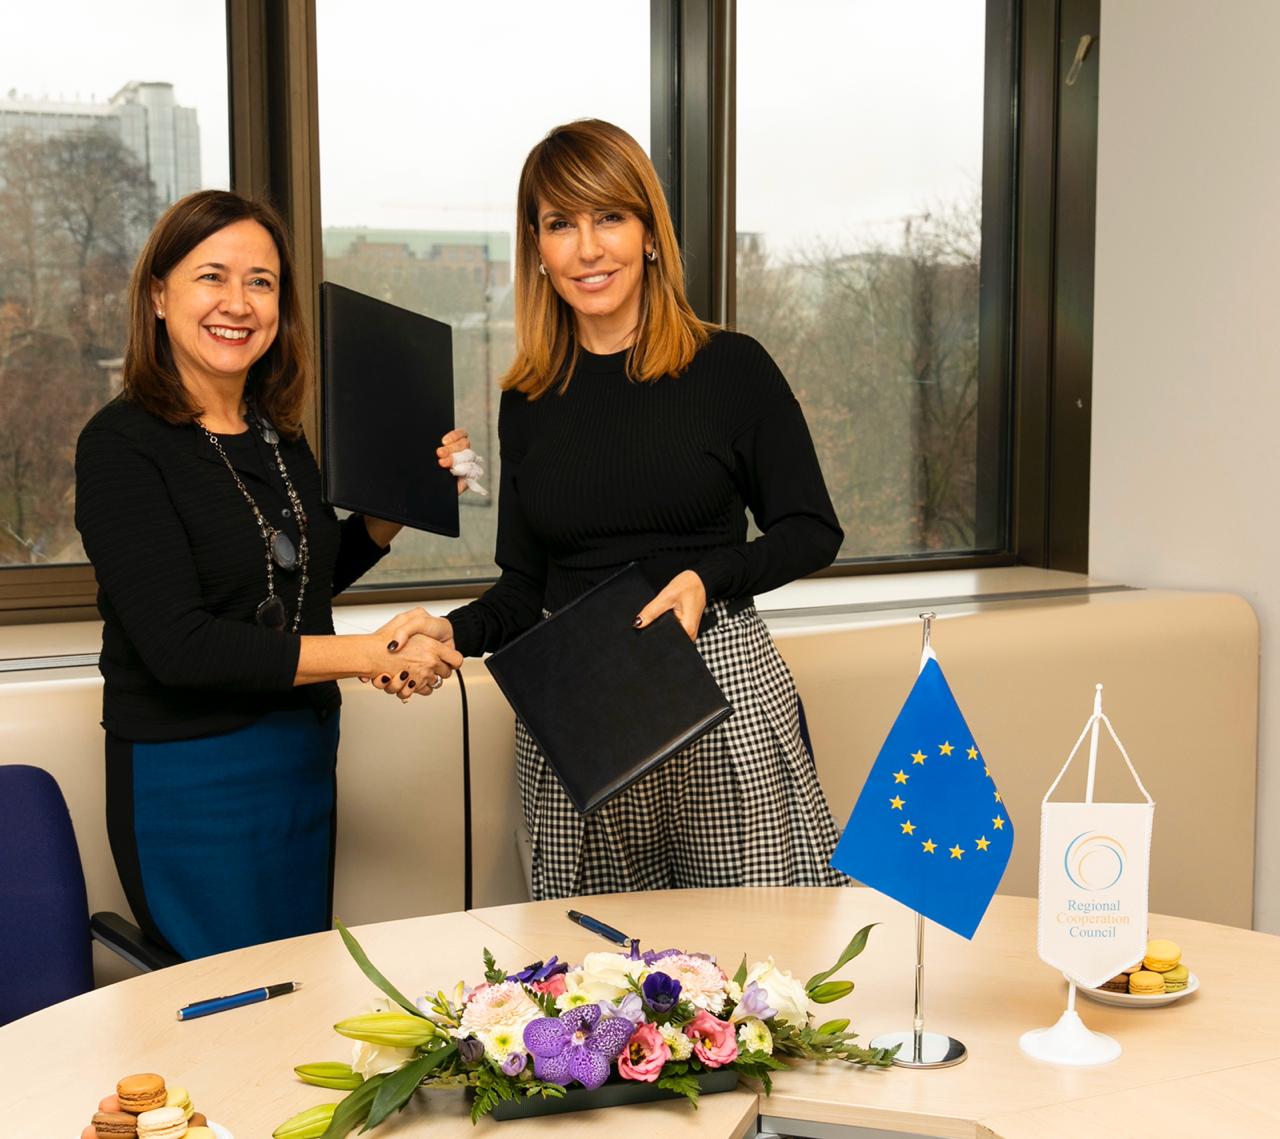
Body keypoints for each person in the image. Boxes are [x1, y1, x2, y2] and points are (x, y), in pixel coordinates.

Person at [381, 119, 848, 900]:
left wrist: (708, 577)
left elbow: (812, 531)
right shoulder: (527, 400)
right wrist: (448, 629)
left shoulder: (731, 367)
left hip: (720, 686)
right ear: (536, 246)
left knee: (757, 982)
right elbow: (523, 592)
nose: (588, 248)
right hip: (580, 709)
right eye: (561, 223)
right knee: (600, 991)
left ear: (650, 234)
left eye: (610, 218)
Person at [75, 190, 466, 960]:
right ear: (158, 295)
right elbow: (180, 644)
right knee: (226, 1013)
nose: (238, 303)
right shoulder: (120, 445)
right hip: (192, 776)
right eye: (211, 277)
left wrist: (401, 504)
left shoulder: (278, 437)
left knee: (292, 1002)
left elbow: (300, 585)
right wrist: (365, 654)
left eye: (261, 282)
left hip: (300, 759)